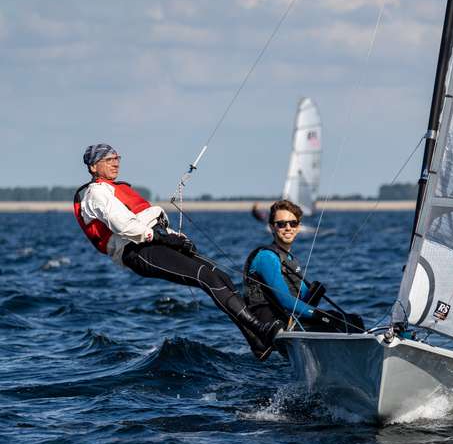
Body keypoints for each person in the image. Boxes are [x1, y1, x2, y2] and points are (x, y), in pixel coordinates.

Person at [74, 143, 282, 360]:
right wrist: (163, 238)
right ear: (93, 167)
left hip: (154, 241)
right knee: (207, 277)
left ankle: (258, 343)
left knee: (220, 276)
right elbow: (125, 226)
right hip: (138, 249)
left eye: (117, 158)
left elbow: (150, 221)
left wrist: (176, 237)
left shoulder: (117, 189)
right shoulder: (96, 193)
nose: (115, 163)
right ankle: (261, 329)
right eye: (108, 160)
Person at [243, 199, 363, 342]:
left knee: (353, 320)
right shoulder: (266, 257)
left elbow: (302, 299)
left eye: (293, 223)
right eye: (281, 224)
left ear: (299, 227)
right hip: (276, 326)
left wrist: (313, 294)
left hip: (291, 320)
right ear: (271, 227)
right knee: (337, 323)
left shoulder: (288, 258)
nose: (288, 228)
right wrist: (320, 315)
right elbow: (287, 301)